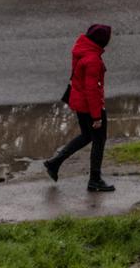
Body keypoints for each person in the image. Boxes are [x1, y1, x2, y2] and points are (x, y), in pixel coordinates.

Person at [44, 23, 115, 192]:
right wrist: (97, 116)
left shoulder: (81, 49)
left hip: (80, 103)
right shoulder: (93, 60)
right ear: (102, 42)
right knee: (99, 140)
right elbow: (92, 90)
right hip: (90, 106)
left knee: (86, 136)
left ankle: (54, 163)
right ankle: (95, 179)